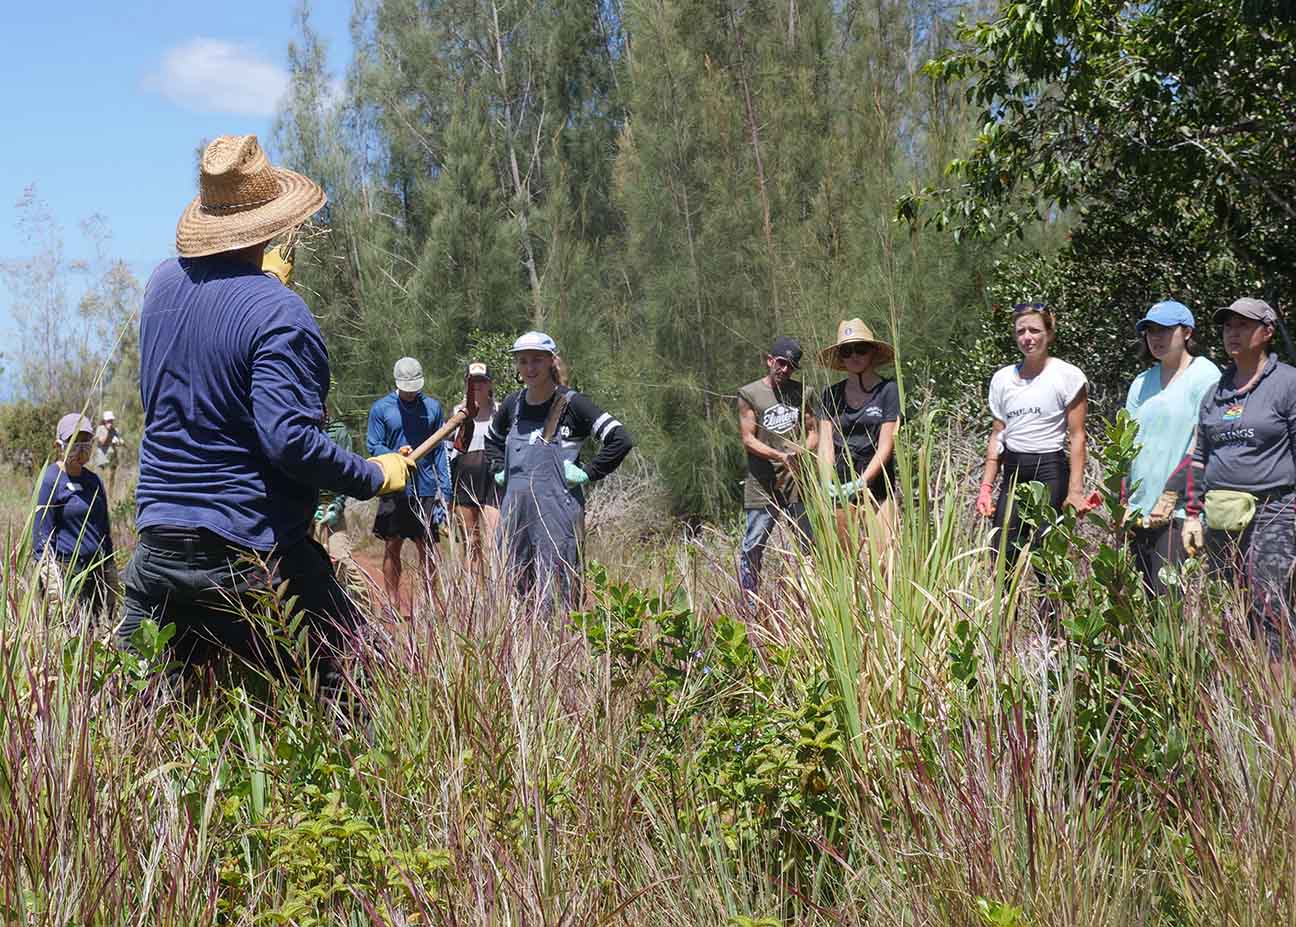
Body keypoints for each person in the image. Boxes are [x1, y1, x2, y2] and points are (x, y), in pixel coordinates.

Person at [118, 135, 413, 698]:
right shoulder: (281, 314)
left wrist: (256, 295)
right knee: (355, 686)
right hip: (246, 554)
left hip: (156, 542)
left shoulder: (159, 287)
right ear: (275, 227)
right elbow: (292, 444)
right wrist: (374, 475)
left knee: (137, 716)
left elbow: (174, 397)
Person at [484, 332, 633, 609]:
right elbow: (491, 440)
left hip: (558, 515)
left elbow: (620, 439)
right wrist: (497, 469)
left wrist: (588, 472)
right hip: (516, 516)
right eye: (523, 361)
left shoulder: (572, 404)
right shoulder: (512, 405)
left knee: (558, 589)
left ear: (551, 361)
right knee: (515, 590)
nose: (530, 368)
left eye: (537, 361)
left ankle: (560, 648)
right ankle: (523, 650)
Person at [1184, 297, 1296, 654]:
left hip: (1274, 510)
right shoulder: (1215, 393)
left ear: (1267, 331)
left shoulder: (1288, 384)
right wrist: (1191, 513)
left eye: (1243, 325)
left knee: (1271, 608)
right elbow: (1200, 456)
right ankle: (1241, 700)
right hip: (1221, 515)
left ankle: (1279, 700)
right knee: (1230, 608)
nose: (1233, 333)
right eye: (1228, 326)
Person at [975, 303, 1091, 570]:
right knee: (1003, 551)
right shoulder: (1003, 379)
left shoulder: (1067, 376)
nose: (1027, 337)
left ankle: (1050, 613)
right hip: (1014, 470)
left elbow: (1077, 437)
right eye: (1021, 331)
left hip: (1050, 469)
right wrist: (985, 488)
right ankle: (1004, 612)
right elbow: (997, 435)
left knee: (1047, 556)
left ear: (1049, 334)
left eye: (1035, 330)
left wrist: (1075, 492)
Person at [1123, 301, 1220, 596]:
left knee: (1170, 601)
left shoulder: (1206, 375)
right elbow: (1127, 446)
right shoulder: (1142, 382)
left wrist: (1171, 493)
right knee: (1144, 599)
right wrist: (1123, 499)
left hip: (1178, 510)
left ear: (1187, 332)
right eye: (1151, 330)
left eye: (1165, 330)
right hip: (1140, 510)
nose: (1156, 337)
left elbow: (1201, 442)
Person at [367, 357, 453, 616]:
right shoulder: (382, 409)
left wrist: (444, 491)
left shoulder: (432, 408)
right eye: (406, 387)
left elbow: (440, 451)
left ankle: (428, 603)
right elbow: (374, 445)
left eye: (414, 386)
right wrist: (396, 453)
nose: (411, 391)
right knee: (392, 544)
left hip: (425, 487)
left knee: (427, 546)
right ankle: (392, 602)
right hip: (394, 486)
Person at [737, 336, 818, 597]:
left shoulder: (802, 392)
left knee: (808, 545)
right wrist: (779, 455)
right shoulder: (749, 394)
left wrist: (803, 450)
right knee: (753, 546)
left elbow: (813, 431)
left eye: (791, 366)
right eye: (781, 363)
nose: (785, 369)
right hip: (762, 482)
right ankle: (750, 604)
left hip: (797, 482)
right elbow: (748, 439)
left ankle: (810, 602)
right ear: (770, 360)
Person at [815, 319, 901, 550]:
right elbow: (825, 445)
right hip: (841, 485)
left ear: (872, 351)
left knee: (884, 556)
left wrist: (862, 481)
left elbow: (886, 444)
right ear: (841, 357)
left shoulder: (888, 391)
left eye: (861, 349)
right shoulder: (830, 395)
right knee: (843, 556)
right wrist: (826, 481)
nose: (854, 356)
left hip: (877, 484)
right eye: (847, 351)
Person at [33, 412, 118, 624]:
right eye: (74, 441)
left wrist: (110, 574)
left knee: (94, 635)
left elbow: (104, 532)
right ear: (59, 444)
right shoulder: (50, 481)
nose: (81, 448)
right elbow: (42, 541)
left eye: (86, 441)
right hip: (65, 577)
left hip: (95, 574)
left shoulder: (93, 481)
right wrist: (55, 592)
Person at [450, 362, 501, 570]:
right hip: (464, 480)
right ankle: (475, 597)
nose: (477, 385)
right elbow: (453, 449)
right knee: (471, 543)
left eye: (481, 381)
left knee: (493, 543)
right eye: (472, 381)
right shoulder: (457, 412)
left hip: (493, 480)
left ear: (490, 384)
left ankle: (497, 596)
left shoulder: (500, 412)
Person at [313, 391, 359, 586]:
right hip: (307, 508)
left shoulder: (340, 433)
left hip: (334, 507)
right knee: (310, 563)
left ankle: (361, 610)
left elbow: (347, 472)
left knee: (341, 559)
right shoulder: (302, 431)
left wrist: (337, 505)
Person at [91, 410, 124, 501]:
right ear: (104, 420)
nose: (110, 422)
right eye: (108, 420)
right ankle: (103, 497)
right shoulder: (100, 429)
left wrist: (119, 442)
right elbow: (102, 442)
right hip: (103, 459)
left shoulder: (115, 430)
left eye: (111, 420)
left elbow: (120, 441)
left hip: (113, 458)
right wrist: (109, 434)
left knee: (112, 479)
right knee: (104, 480)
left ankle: (110, 496)